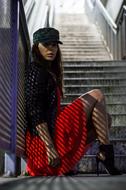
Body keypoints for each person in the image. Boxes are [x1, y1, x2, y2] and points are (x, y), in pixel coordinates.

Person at [24, 27, 121, 176]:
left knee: (105, 120)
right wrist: (50, 148)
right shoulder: (36, 71)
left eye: (54, 45)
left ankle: (84, 158)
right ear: (36, 47)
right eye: (46, 44)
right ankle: (105, 155)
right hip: (43, 148)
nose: (51, 49)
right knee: (97, 94)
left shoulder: (46, 72)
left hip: (53, 140)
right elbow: (35, 113)